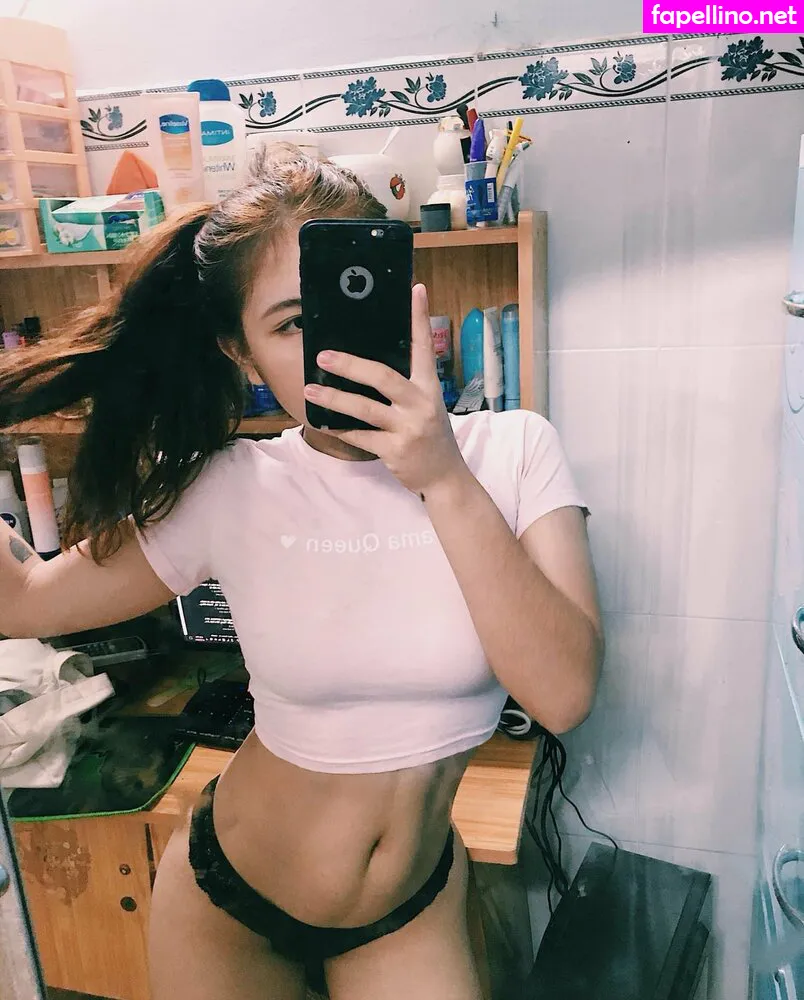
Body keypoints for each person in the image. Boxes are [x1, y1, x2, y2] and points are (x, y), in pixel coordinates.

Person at [0, 145, 603, 1000]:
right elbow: (25, 603)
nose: (330, 349)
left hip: (408, 908)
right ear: (242, 354)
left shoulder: (513, 452)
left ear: (405, 295)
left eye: (352, 304)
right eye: (289, 324)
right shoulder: (230, 485)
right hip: (230, 903)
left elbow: (564, 695)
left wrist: (442, 476)